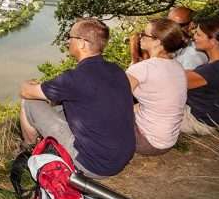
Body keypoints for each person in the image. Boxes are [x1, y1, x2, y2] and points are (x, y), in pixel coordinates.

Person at [19, 18, 135, 179]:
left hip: (93, 165)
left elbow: (26, 92)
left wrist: (28, 84)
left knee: (29, 102)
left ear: (81, 43)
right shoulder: (116, 70)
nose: (67, 41)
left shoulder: (74, 78)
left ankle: (29, 150)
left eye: (70, 37)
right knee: (59, 108)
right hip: (122, 156)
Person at [126, 19, 188, 155]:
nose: (140, 37)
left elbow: (114, 100)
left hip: (147, 142)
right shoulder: (177, 66)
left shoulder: (143, 68)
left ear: (158, 41)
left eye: (144, 34)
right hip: (168, 141)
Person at [130, 7, 208, 69]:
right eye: (167, 25)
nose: (170, 29)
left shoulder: (193, 56)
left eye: (177, 25)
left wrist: (135, 56)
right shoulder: (174, 47)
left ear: (191, 25)